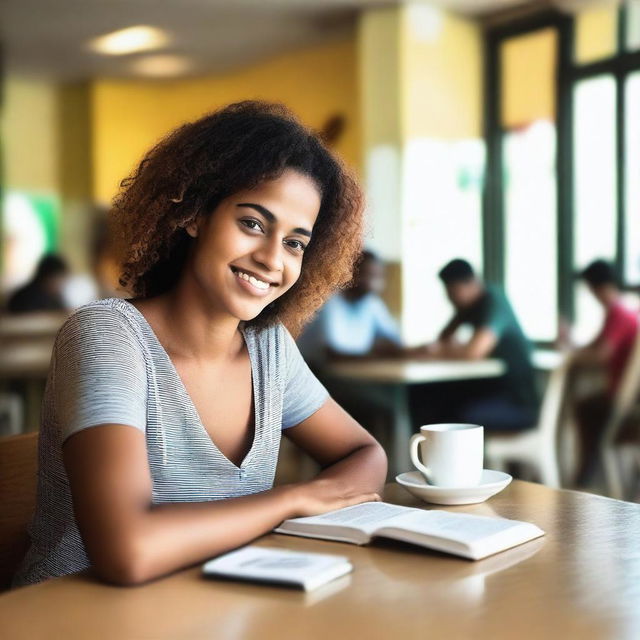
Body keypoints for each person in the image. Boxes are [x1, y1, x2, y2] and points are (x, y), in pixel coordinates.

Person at [12, 101, 387, 587]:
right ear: (194, 213)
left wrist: (314, 495)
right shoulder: (108, 335)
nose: (273, 258)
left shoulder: (268, 348)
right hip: (74, 619)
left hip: (212, 607)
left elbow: (365, 453)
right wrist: (293, 499)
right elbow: (126, 552)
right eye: (252, 223)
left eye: (295, 242)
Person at [412, 259, 538, 432]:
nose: (449, 297)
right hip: (491, 389)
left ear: (472, 283)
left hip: (516, 399)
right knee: (423, 395)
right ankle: (423, 456)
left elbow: (474, 352)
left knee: (450, 411)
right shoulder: (467, 306)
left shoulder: (493, 301)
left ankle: (445, 457)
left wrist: (441, 350)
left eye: (453, 291)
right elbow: (442, 340)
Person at [572, 259, 639, 487]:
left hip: (621, 400)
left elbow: (601, 354)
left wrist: (571, 356)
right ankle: (587, 472)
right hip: (623, 397)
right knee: (586, 407)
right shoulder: (619, 313)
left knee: (585, 409)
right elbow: (593, 345)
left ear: (596, 287)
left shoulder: (620, 314)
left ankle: (585, 476)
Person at [297, 250, 402, 367]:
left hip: (354, 370)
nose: (374, 282)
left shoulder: (371, 303)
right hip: (318, 371)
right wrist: (381, 355)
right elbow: (333, 355)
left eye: (378, 276)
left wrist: (410, 351)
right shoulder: (329, 301)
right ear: (350, 273)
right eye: (368, 274)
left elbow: (394, 339)